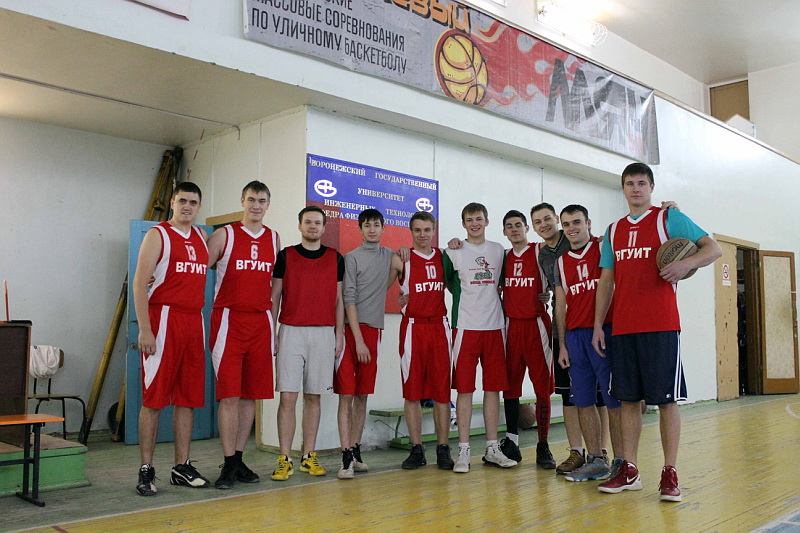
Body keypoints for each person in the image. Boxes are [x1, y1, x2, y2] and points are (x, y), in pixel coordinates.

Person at [593, 162, 721, 502]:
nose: (635, 188)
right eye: (629, 183)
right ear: (623, 188)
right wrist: (598, 325)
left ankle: (670, 472)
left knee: (666, 401)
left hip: (661, 325)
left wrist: (685, 264)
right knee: (628, 400)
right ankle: (630, 470)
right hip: (623, 327)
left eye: (641, 183)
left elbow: (713, 248)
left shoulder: (669, 219)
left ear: (651, 187)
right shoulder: (613, 230)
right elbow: (606, 281)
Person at [133, 181, 210, 496]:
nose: (187, 206)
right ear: (172, 203)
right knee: (154, 398)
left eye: (193, 202)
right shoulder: (158, 234)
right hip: (163, 319)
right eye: (182, 201)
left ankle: (181, 467)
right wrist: (145, 328)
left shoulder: (202, 238)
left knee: (187, 399)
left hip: (194, 321)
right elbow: (140, 283)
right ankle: (146, 469)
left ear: (199, 206)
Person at [206, 181, 279, 489]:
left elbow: (275, 288)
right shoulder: (224, 235)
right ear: (242, 201)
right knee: (230, 395)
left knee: (251, 396)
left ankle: (237, 458)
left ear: (268, 204)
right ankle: (227, 462)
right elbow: (196, 268)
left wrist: (274, 328)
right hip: (229, 320)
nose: (256, 205)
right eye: (251, 199)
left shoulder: (274, 238)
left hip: (261, 322)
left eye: (261, 200)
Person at [270, 206, 345, 481]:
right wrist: (272, 331)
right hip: (291, 331)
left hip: (324, 333)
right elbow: (275, 296)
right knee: (288, 397)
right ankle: (284, 458)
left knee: (314, 397)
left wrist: (339, 335)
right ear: (300, 225)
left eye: (317, 223)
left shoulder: (335, 258)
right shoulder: (285, 256)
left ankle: (308, 456)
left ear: (324, 227)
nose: (313, 226)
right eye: (308, 222)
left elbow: (339, 300)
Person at [444, 202, 517, 473]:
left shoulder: (499, 251)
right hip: (465, 327)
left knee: (493, 389)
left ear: (486, 221)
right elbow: (448, 283)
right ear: (463, 224)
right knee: (464, 389)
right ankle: (463, 450)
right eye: (469, 220)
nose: (474, 223)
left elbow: (506, 283)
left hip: (495, 327)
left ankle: (492, 448)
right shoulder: (453, 252)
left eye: (479, 219)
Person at [554, 204, 622, 483]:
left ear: (588, 223)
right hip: (575, 337)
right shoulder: (560, 262)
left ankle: (622, 461)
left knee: (614, 401)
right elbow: (560, 305)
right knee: (582, 401)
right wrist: (562, 344)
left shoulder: (604, 246)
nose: (572, 228)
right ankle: (596, 460)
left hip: (604, 332)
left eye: (577, 222)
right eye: (567, 224)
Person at [335, 209, 398, 479]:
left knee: (362, 396)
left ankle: (356, 449)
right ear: (360, 229)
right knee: (346, 396)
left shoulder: (389, 256)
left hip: (374, 331)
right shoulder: (351, 258)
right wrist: (358, 340)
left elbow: (400, 270)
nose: (372, 229)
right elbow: (348, 298)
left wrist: (403, 252)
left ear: (383, 228)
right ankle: (345, 456)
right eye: (367, 225)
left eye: (376, 225)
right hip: (351, 332)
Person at [395, 211, 454, 471]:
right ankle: (416, 448)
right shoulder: (402, 259)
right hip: (413, 328)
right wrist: (398, 300)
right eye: (417, 230)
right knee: (412, 392)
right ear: (411, 232)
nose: (422, 234)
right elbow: (381, 286)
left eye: (427, 229)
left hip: (439, 326)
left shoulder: (444, 257)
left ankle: (443, 448)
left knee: (442, 391)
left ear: (433, 231)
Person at [498, 210, 556, 468]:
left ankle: (543, 445)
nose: (514, 229)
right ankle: (512, 442)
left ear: (526, 228)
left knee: (542, 388)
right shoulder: (502, 257)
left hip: (537, 325)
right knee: (510, 387)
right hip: (511, 326)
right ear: (504, 231)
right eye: (509, 226)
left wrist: (550, 289)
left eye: (518, 225)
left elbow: (564, 245)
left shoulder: (539, 250)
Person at [530, 202, 583, 473]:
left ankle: (602, 453)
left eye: (547, 219)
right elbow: (553, 288)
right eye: (538, 221)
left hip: (588, 325)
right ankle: (576, 451)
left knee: (599, 397)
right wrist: (545, 294)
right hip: (561, 328)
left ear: (557, 220)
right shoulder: (542, 254)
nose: (544, 225)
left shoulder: (577, 240)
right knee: (567, 394)